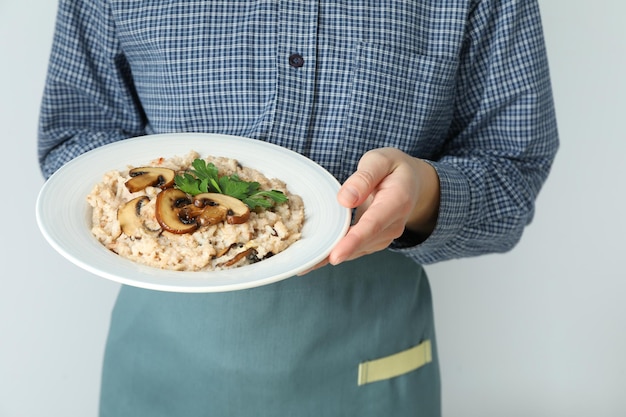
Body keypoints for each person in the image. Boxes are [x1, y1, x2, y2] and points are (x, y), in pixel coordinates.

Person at [38, 0, 558, 416]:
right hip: (160, 373)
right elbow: (73, 135)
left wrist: (422, 191)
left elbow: (512, 181)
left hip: (368, 371)